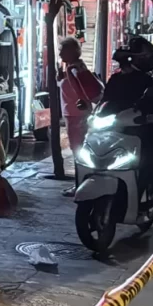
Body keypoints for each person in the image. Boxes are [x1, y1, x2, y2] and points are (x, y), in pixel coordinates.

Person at [97, 37, 153, 230]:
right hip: (119, 131)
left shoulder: (150, 83)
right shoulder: (116, 79)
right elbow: (106, 101)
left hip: (145, 134)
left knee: (149, 169)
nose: (123, 67)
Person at [59, 37, 104, 197]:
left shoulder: (74, 69)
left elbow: (87, 91)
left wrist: (83, 104)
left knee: (78, 151)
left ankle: (80, 183)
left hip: (76, 115)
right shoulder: (76, 67)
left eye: (62, 50)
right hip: (77, 114)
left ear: (70, 52)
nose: (59, 53)